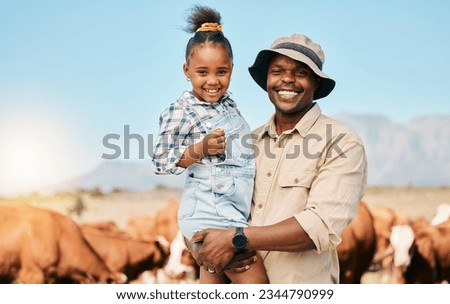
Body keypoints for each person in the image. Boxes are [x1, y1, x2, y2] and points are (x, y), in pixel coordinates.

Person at [191, 33, 368, 283]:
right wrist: (204, 245)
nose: (287, 79)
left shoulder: (341, 143)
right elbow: (210, 207)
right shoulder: (244, 143)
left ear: (316, 83)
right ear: (267, 80)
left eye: (301, 73)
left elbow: (318, 228)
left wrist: (236, 238)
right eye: (278, 71)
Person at [151, 5, 269, 284]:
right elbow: (160, 161)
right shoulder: (181, 110)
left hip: (232, 212)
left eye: (222, 72)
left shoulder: (229, 104)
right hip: (209, 214)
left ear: (232, 69)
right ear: (186, 70)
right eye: (202, 72)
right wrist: (199, 149)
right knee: (259, 286)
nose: (213, 81)